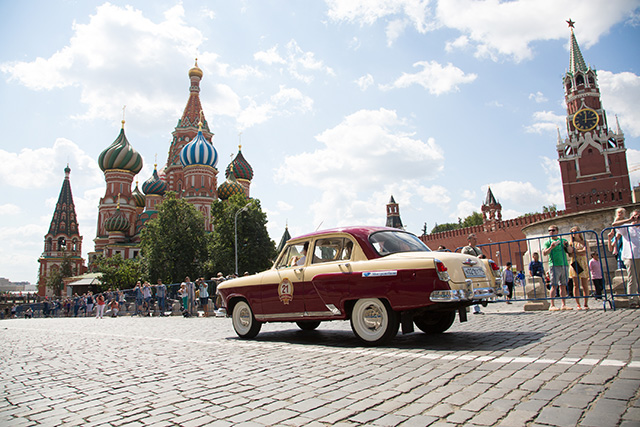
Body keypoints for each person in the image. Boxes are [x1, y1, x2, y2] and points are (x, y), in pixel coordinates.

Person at [542, 225, 573, 310]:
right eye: (549, 230)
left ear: (557, 231)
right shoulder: (548, 242)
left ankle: (563, 304)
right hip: (554, 265)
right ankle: (552, 305)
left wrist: (566, 245)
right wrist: (551, 247)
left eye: (553, 230)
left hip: (564, 264)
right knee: (554, 285)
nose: (551, 232)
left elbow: (570, 251)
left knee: (563, 285)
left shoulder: (563, 240)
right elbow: (544, 253)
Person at [617, 210, 640, 308]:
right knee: (632, 278)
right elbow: (614, 224)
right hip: (631, 256)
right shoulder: (626, 227)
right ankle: (632, 300)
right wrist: (629, 220)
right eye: (635, 216)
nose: (637, 217)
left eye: (638, 216)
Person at [461, 233, 485, 314]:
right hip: (470, 271)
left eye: (476, 239)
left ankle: (481, 303)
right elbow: (463, 258)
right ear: (469, 240)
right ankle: (475, 308)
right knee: (472, 289)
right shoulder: (466, 249)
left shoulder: (478, 249)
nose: (476, 240)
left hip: (479, 271)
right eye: (474, 239)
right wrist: (475, 258)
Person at [568, 226, 590, 309]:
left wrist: (576, 251)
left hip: (583, 262)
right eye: (572, 232)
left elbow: (586, 251)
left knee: (585, 285)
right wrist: (579, 252)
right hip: (575, 263)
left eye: (575, 231)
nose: (574, 233)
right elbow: (570, 254)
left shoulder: (584, 242)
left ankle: (586, 303)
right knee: (576, 285)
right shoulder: (571, 243)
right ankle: (578, 304)